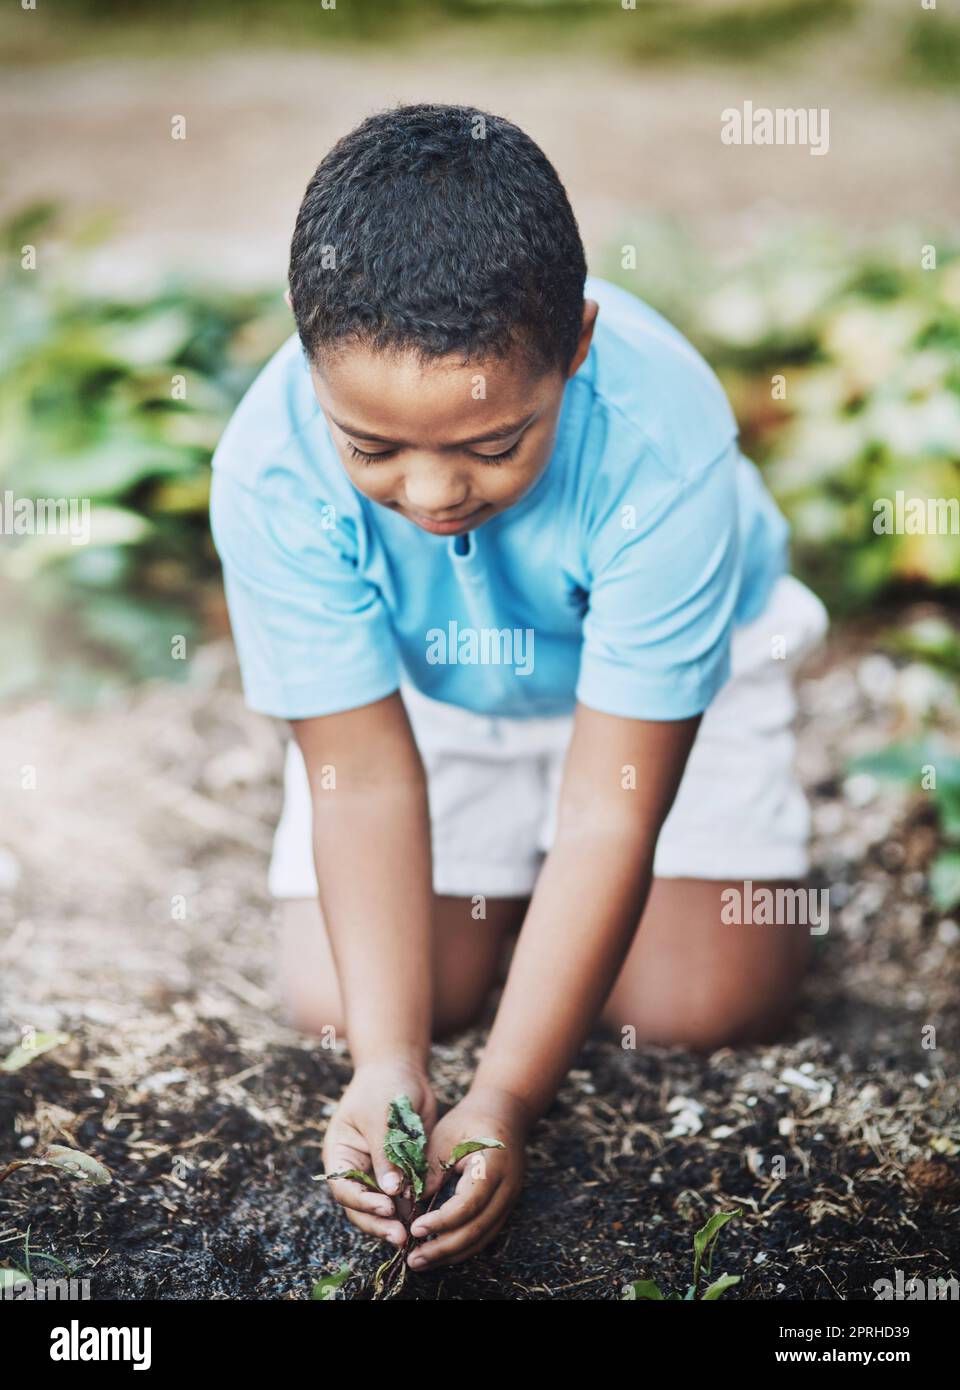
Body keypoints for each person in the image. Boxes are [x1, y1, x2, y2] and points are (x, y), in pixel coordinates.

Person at [210, 102, 828, 1272]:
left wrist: (503, 1096)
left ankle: (558, 910)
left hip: (661, 699)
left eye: (493, 445)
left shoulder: (663, 440)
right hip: (438, 684)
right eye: (374, 447)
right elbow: (356, 780)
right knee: (340, 1001)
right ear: (307, 363)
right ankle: (509, 911)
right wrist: (388, 1066)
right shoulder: (267, 467)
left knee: (703, 1002)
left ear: (578, 344)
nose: (435, 493)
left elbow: (614, 804)